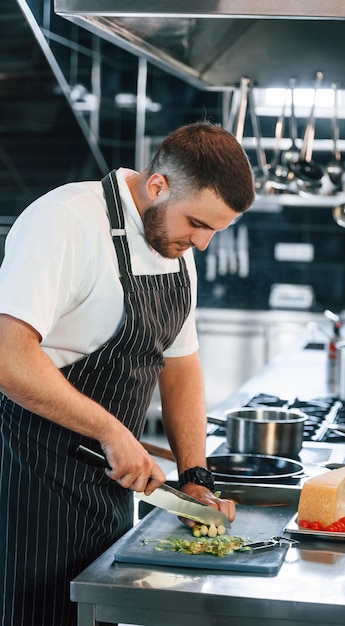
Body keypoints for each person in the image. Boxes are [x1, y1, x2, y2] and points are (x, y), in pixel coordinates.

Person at [0, 121, 255, 626]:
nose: (202, 244)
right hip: (30, 488)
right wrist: (111, 431)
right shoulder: (66, 220)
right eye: (198, 225)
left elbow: (180, 368)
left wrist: (195, 477)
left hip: (110, 489)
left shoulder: (173, 247)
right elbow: (9, 358)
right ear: (158, 185)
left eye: (214, 232)